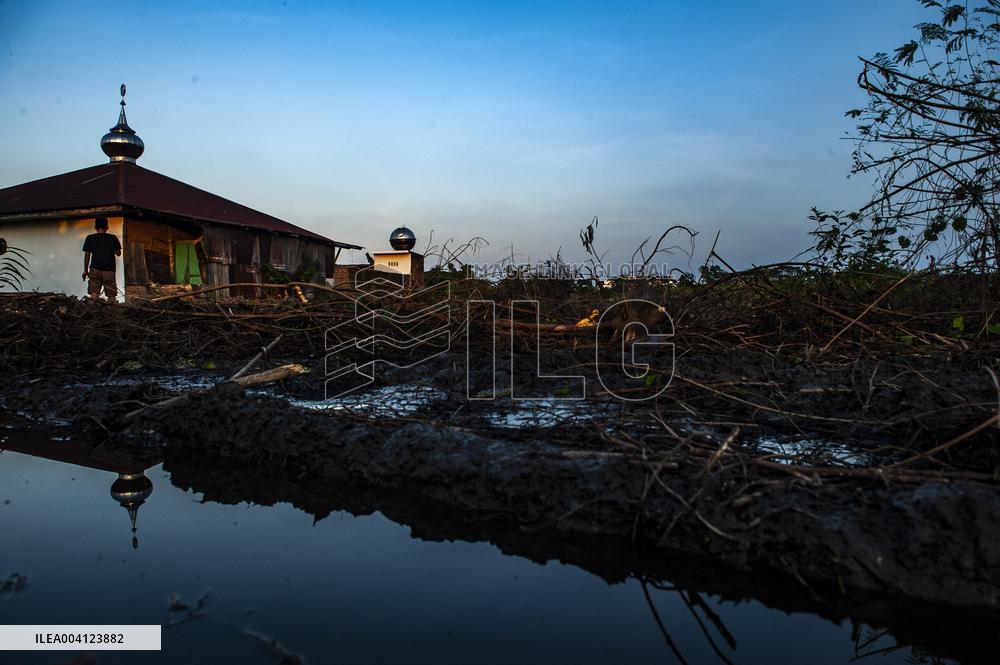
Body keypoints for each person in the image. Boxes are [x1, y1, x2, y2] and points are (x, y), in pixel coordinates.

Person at [82, 217, 122, 301]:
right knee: (111, 296)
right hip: (109, 270)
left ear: (95, 227)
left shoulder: (90, 238)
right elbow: (118, 254)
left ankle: (93, 312)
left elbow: (87, 255)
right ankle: (113, 312)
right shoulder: (113, 238)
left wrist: (85, 271)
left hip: (95, 269)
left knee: (94, 294)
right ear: (107, 228)